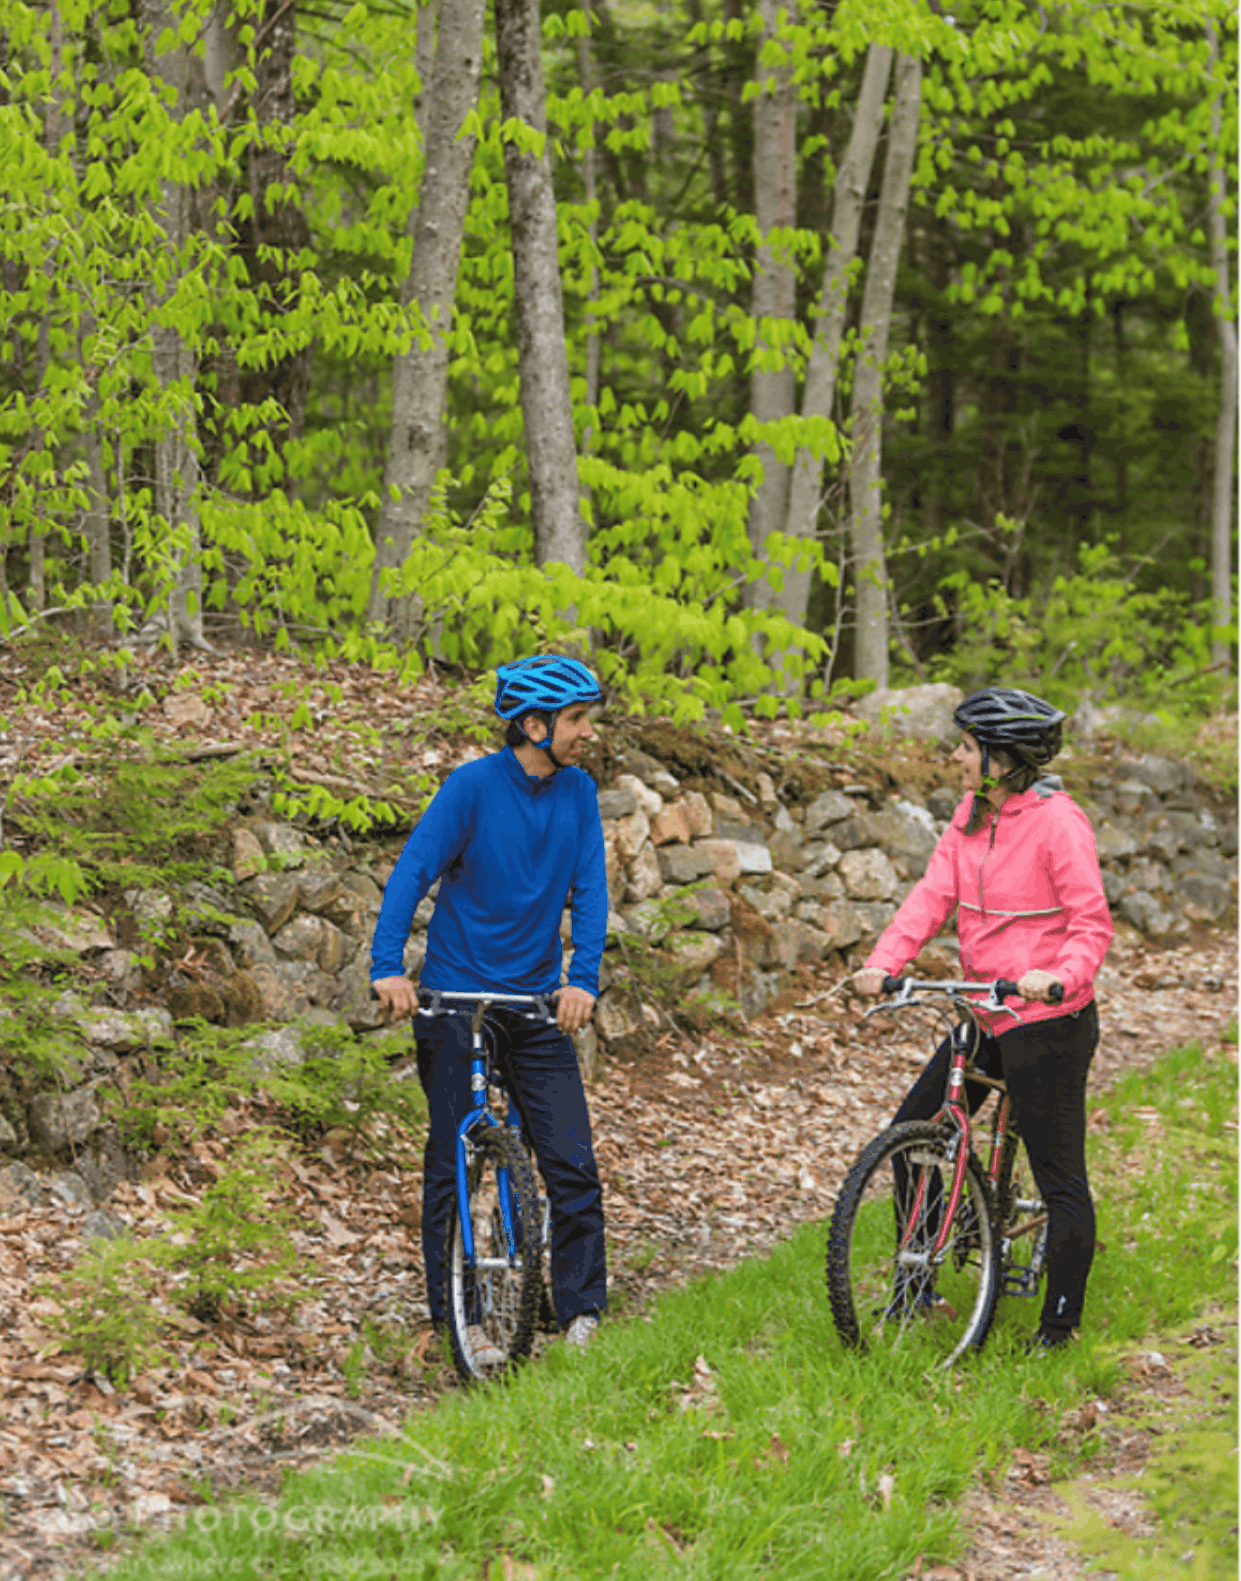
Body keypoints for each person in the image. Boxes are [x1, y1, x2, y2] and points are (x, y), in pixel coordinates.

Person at [853, 686, 1114, 1354]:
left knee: (1058, 1175)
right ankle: (922, 1279)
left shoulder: (1058, 822)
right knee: (909, 1135)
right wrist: (884, 961)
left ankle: (1057, 1325)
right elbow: (929, 897)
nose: (956, 757)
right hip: (984, 1011)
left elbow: (1089, 924)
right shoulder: (968, 817)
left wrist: (1059, 975)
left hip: (1046, 1016)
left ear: (1002, 758)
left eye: (967, 747)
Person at [370, 654, 609, 1357]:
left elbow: (589, 890)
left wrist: (582, 977)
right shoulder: (470, 787)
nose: (585, 732)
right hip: (453, 998)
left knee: (570, 1161)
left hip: (535, 1003)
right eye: (575, 719)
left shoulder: (578, 792)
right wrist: (389, 967)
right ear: (533, 726)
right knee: (451, 1159)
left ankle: (578, 1313)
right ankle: (461, 1317)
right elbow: (413, 870)